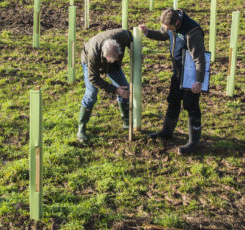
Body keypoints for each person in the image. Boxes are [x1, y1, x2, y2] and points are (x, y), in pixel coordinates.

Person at [139, 8, 206, 155]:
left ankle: (194, 141)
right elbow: (164, 35)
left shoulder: (192, 32)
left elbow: (199, 59)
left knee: (191, 105)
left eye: (169, 27)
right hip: (177, 72)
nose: (167, 29)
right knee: (173, 100)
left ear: (177, 22)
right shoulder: (172, 24)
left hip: (190, 74)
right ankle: (166, 132)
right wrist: (147, 32)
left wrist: (199, 81)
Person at [77, 28, 133, 143]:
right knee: (91, 93)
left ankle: (126, 120)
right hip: (88, 62)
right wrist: (114, 90)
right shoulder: (93, 54)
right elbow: (93, 78)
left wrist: (135, 51)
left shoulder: (122, 36)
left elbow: (130, 37)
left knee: (124, 87)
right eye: (111, 59)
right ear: (105, 56)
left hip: (112, 61)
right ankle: (81, 127)